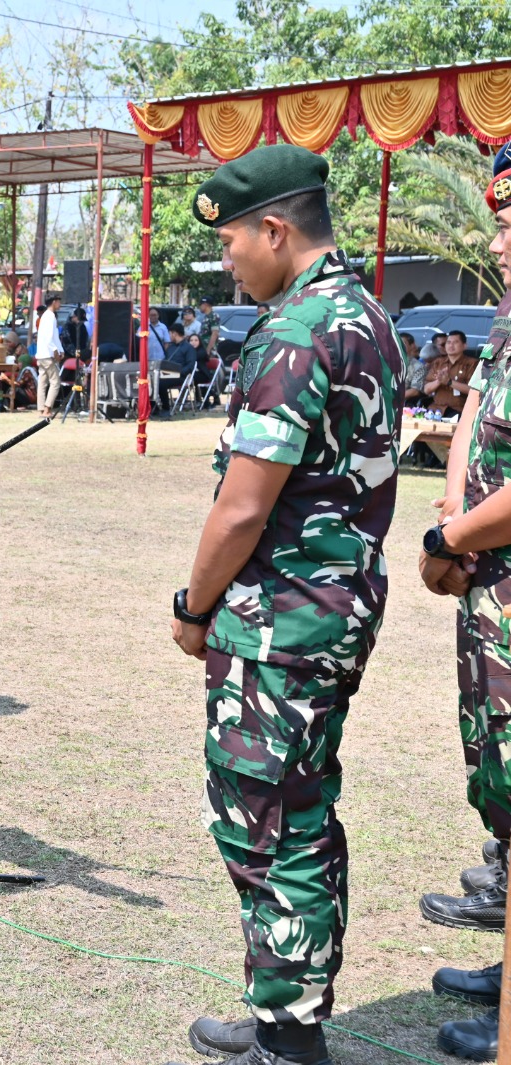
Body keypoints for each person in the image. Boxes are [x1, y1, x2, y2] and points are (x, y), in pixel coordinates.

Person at [169, 144, 402, 1065]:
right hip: (334, 609)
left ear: (276, 228)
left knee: (266, 821)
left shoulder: (299, 329)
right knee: (299, 809)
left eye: (232, 240)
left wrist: (194, 604)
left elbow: (242, 504)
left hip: (283, 620)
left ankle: (290, 1034)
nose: (228, 259)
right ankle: (286, 1010)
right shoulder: (369, 315)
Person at [412, 142, 511, 1063]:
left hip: (500, 575)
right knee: (500, 771)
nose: (506, 238)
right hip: (488, 584)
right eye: (503, 220)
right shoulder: (510, 318)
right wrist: (451, 507)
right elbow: (471, 423)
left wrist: (454, 538)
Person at [424, 330, 479, 417]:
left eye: (455, 342)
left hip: (459, 411)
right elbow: (426, 390)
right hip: (436, 409)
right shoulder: (438, 362)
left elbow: (474, 390)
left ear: (464, 346)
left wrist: (449, 382)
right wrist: (438, 381)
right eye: (448, 342)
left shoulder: (472, 364)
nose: (451, 345)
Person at [34, 294, 64, 419]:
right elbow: (49, 337)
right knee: (55, 382)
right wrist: (56, 350)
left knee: (42, 382)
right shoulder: (50, 316)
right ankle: (47, 408)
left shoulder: (46, 316)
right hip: (47, 354)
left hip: (41, 354)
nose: (60, 304)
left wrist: (60, 349)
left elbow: (54, 336)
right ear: (54, 302)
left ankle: (41, 409)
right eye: (58, 302)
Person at [399, 332, 429, 406]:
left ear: (412, 346)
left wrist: (393, 399)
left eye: (403, 343)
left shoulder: (418, 366)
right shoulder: (386, 364)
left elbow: (415, 391)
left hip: (403, 403)